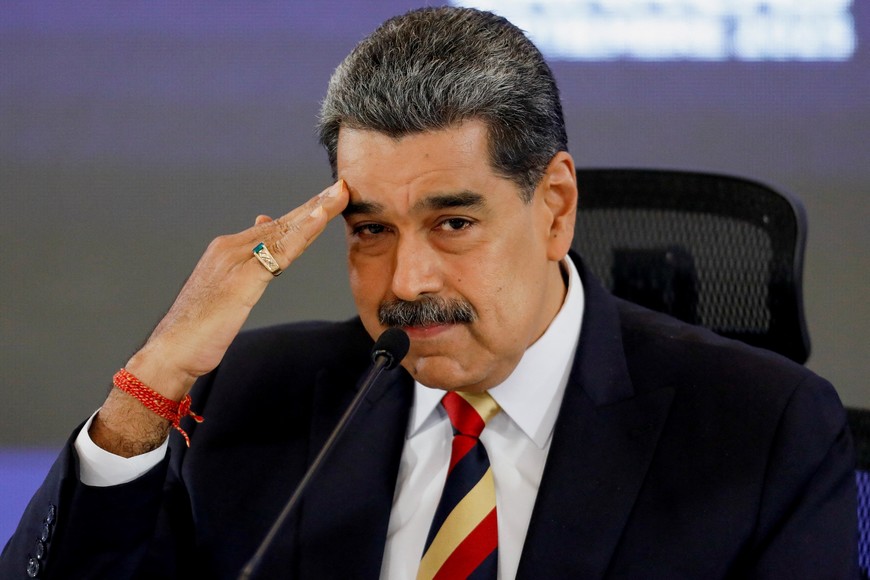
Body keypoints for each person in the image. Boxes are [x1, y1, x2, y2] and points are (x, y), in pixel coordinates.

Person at [1, 6, 857, 579]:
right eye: (370, 228)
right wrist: (154, 377)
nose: (405, 283)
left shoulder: (763, 429)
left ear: (554, 208)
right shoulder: (248, 400)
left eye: (453, 223)